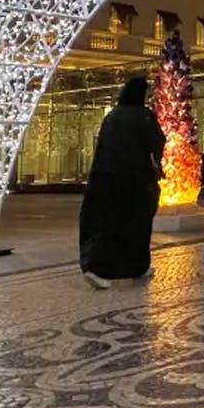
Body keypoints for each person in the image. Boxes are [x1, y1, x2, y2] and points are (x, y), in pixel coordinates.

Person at [79, 76, 166, 289]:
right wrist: (157, 167)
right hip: (134, 179)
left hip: (104, 178)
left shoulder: (112, 116)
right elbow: (157, 143)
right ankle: (136, 266)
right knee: (136, 224)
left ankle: (96, 267)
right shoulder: (144, 116)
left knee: (107, 223)